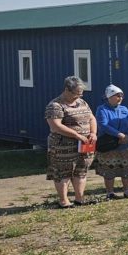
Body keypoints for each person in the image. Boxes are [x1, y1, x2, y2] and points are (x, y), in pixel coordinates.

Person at [45, 76, 97, 207]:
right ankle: (64, 201)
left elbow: (91, 118)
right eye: (76, 93)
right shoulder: (55, 105)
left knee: (81, 170)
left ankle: (80, 199)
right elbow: (56, 126)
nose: (79, 96)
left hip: (84, 145)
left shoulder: (82, 102)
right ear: (67, 90)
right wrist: (77, 135)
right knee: (63, 173)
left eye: (81, 93)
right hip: (62, 146)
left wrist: (93, 133)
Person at [94, 84, 128, 199]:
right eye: (117, 96)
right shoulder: (102, 109)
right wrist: (119, 135)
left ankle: (127, 191)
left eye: (122, 95)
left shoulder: (124, 109)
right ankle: (110, 193)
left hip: (124, 144)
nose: (120, 98)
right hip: (109, 145)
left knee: (126, 167)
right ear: (109, 97)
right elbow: (103, 125)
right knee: (109, 168)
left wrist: (126, 136)